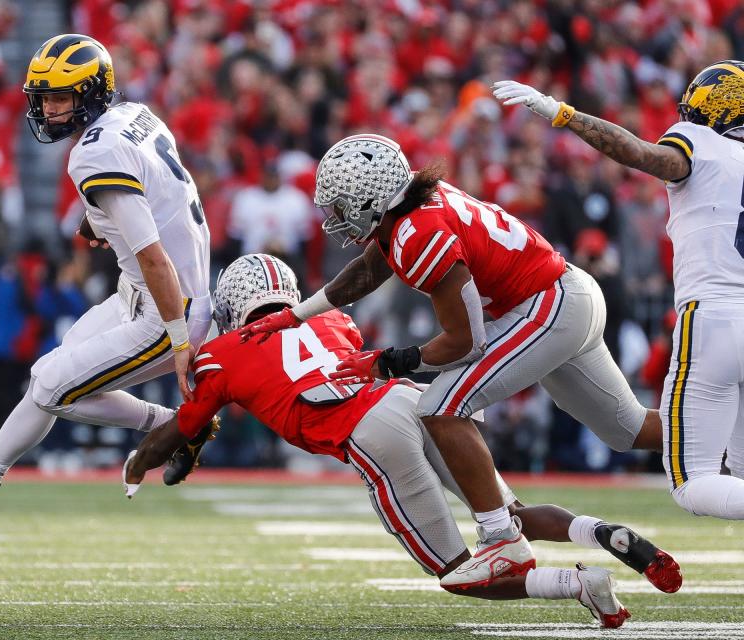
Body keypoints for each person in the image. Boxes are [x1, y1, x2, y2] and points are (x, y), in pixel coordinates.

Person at [124, 254, 682, 629]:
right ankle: (596, 531)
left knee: (459, 572)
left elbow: (181, 427)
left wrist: (138, 461)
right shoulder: (334, 322)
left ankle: (577, 584)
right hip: (414, 399)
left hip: (368, 431)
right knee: (506, 515)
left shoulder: (223, 353)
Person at [241, 134, 662, 590]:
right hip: (562, 297)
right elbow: (366, 271)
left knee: (440, 405)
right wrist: (296, 314)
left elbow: (466, 342)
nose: (336, 219)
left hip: (547, 306)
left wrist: (385, 363)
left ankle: (501, 539)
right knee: (628, 428)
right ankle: (721, 443)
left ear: (370, 196)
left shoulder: (417, 233)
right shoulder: (410, 214)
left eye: (342, 206)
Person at [0, 34, 215, 523]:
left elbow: (153, 255)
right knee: (59, 367)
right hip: (145, 291)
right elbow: (155, 194)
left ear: (92, 93)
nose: (48, 110)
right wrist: (98, 217)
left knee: (50, 383)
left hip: (169, 306)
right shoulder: (134, 115)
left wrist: (177, 342)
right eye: (43, 98)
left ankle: (176, 427)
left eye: (60, 98)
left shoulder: (93, 153)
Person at [492, 60, 744, 519]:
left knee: (693, 483)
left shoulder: (700, 143)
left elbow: (641, 154)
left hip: (714, 317)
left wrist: (562, 114)